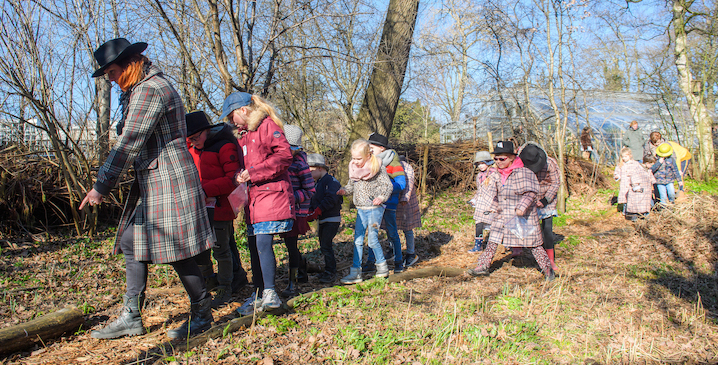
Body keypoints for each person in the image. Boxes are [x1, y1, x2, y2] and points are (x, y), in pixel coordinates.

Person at [82, 38, 214, 340]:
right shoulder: (138, 91)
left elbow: (129, 143)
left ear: (129, 65)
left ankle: (203, 311)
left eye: (112, 73)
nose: (112, 80)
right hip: (154, 180)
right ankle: (131, 316)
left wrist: (102, 185)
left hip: (170, 180)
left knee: (177, 251)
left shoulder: (150, 89)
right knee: (130, 240)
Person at [219, 92, 295, 316]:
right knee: (253, 246)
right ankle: (260, 292)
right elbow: (243, 166)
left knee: (262, 243)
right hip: (253, 199)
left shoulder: (268, 125)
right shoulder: (242, 135)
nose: (232, 121)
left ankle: (270, 292)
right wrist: (239, 175)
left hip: (271, 195)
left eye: (232, 115)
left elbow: (284, 156)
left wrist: (252, 173)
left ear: (243, 110)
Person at [185, 111, 249, 308]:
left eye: (197, 137)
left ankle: (225, 286)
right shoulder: (192, 149)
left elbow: (233, 179)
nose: (195, 142)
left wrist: (204, 190)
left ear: (207, 131)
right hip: (200, 208)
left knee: (222, 249)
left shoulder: (224, 145)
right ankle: (233, 277)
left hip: (221, 207)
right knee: (217, 247)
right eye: (191, 139)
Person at [467, 140, 554, 281]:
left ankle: (548, 270)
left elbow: (531, 192)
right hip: (502, 215)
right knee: (492, 241)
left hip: (521, 217)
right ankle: (482, 266)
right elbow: (491, 193)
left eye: (502, 158)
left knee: (534, 245)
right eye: (496, 159)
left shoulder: (523, 173)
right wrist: (490, 208)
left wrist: (521, 207)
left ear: (512, 157)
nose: (498, 161)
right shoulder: (496, 174)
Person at [337, 139, 394, 284]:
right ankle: (356, 272)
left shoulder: (376, 167)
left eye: (358, 158)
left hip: (374, 209)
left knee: (372, 239)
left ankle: (382, 267)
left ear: (368, 155)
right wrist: (344, 190)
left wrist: (381, 197)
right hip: (360, 209)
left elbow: (387, 185)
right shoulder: (354, 168)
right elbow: (351, 185)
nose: (355, 161)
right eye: (353, 158)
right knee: (357, 240)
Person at [280, 124, 315, 298]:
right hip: (281, 209)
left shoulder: (300, 164)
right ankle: (302, 269)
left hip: (297, 211)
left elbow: (310, 190)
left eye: (290, 149)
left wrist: (292, 197)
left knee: (291, 245)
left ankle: (292, 282)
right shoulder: (280, 161)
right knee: (288, 244)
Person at [365, 132, 407, 274]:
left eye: (372, 147)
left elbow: (401, 184)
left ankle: (398, 262)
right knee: (372, 233)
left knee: (392, 233)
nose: (369, 150)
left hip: (388, 205)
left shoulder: (393, 163)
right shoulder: (370, 162)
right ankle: (371, 261)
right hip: (373, 205)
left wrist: (385, 189)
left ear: (382, 148)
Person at [519, 142, 560, 271]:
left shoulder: (550, 164)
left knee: (547, 229)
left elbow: (556, 183)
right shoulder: (522, 165)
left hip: (547, 198)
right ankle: (531, 254)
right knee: (532, 229)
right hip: (531, 199)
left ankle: (550, 259)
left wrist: (545, 200)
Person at [306, 153, 343, 283]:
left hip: (332, 219)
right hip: (323, 219)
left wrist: (318, 210)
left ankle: (331, 272)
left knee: (326, 245)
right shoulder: (318, 183)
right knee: (323, 245)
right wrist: (310, 212)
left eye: (311, 171)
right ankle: (328, 269)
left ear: (320, 168)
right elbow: (314, 200)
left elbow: (331, 199)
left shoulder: (331, 182)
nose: (308, 173)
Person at [395, 156, 422, 267]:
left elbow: (409, 184)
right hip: (395, 202)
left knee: (407, 228)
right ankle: (393, 250)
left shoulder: (405, 168)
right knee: (391, 227)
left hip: (406, 204)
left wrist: (404, 198)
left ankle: (411, 253)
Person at [468, 151, 497, 253]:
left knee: (495, 225)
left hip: (492, 203)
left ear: (488, 162)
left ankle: (500, 245)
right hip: (481, 203)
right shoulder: (479, 176)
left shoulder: (494, 174)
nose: (480, 166)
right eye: (479, 164)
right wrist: (474, 200)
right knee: (478, 224)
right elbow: (479, 190)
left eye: (482, 163)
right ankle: (478, 245)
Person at [618, 152, 656, 220]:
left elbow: (652, 179)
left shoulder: (648, 170)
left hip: (646, 192)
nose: (652, 166)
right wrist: (637, 187)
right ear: (647, 163)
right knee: (637, 207)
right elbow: (634, 179)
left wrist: (653, 184)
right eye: (652, 165)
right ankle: (635, 220)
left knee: (646, 206)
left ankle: (646, 218)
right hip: (638, 192)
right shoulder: (637, 169)